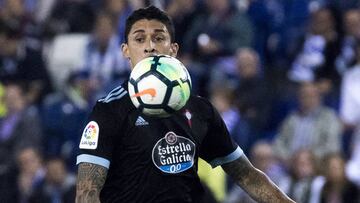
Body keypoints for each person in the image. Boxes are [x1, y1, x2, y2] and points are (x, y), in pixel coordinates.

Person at [75, 5, 294, 203]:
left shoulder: (201, 110)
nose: (150, 47)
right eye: (140, 39)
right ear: (125, 50)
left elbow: (247, 175)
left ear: (173, 49)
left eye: (159, 38)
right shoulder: (109, 110)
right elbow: (87, 193)